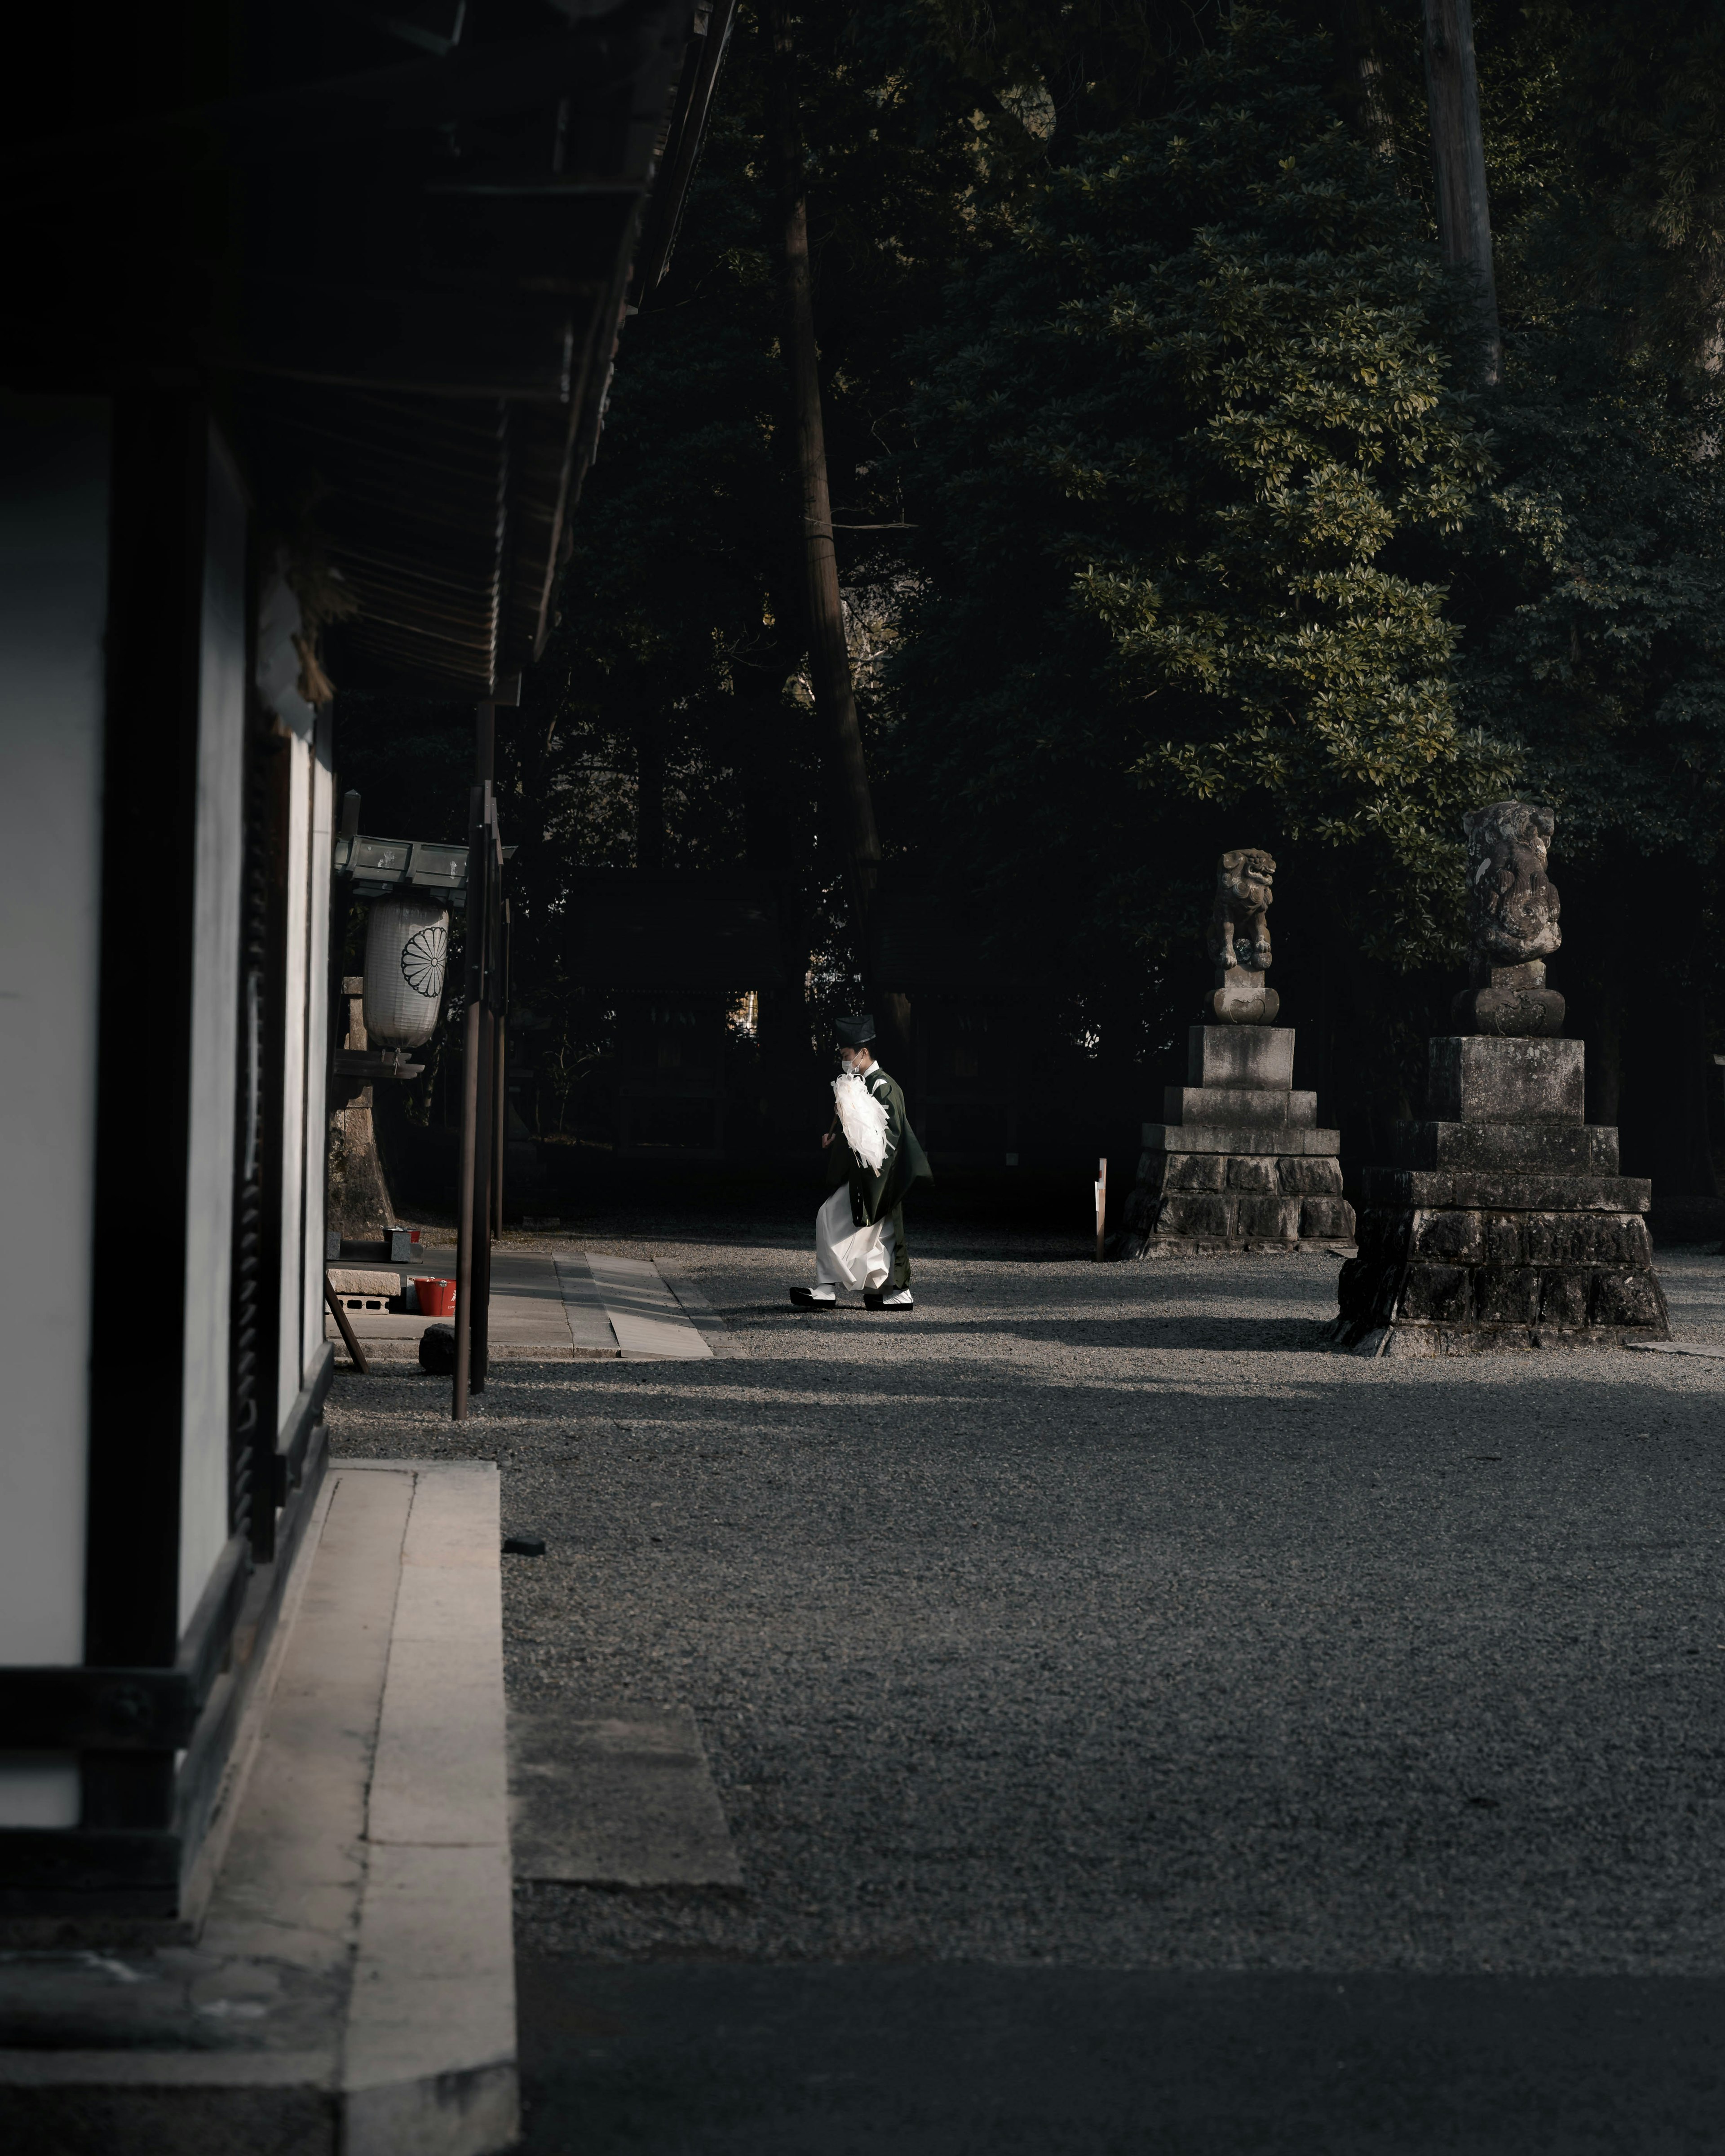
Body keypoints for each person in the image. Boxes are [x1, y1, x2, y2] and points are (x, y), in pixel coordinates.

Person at [790, 1012, 931, 1310]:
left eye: (847, 1055)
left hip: (880, 1177)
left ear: (863, 1053)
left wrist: (874, 1179)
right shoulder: (866, 1084)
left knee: (845, 1221)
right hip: (870, 1175)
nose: (844, 1061)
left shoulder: (884, 1086)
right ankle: (846, 1289)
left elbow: (888, 1138)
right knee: (870, 1233)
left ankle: (840, 1289)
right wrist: (838, 1139)